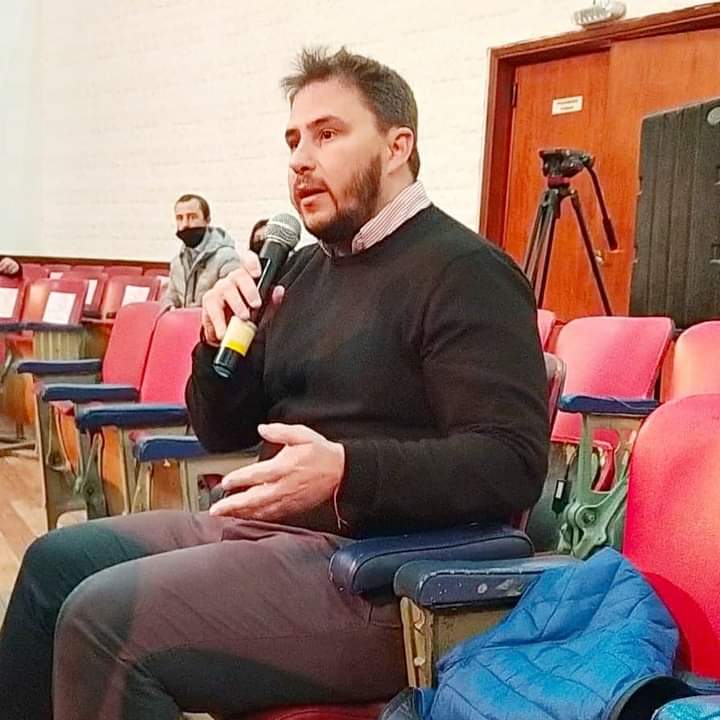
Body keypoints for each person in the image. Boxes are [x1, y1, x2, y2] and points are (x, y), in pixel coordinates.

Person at [0, 48, 549, 719]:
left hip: (383, 576)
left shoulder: (467, 272)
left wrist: (346, 471)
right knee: (53, 566)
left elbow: (510, 464)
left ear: (397, 146)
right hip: (268, 534)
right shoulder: (301, 271)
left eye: (327, 134)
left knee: (104, 621)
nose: (300, 160)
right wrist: (215, 343)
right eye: (292, 141)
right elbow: (221, 430)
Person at [162, 193, 242, 307]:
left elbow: (232, 302)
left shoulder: (227, 258)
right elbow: (170, 297)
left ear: (207, 220)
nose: (185, 224)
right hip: (184, 318)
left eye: (192, 217)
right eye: (180, 218)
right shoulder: (177, 262)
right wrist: (169, 306)